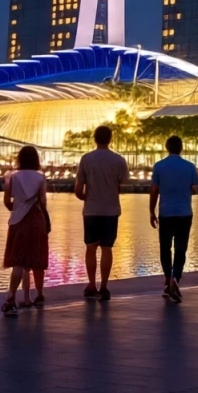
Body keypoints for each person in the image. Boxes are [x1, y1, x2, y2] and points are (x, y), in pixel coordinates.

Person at [75, 124, 130, 301]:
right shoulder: (119, 160)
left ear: (94, 139)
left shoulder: (86, 159)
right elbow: (123, 183)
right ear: (110, 139)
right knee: (107, 248)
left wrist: (87, 198)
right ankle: (104, 286)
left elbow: (78, 189)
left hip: (91, 210)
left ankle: (91, 284)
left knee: (90, 248)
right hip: (111, 210)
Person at [150, 135, 198, 302]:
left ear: (167, 147)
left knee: (165, 248)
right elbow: (195, 189)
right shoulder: (190, 166)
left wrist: (151, 211)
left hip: (165, 213)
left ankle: (167, 279)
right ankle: (176, 278)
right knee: (181, 248)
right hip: (185, 213)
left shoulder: (159, 166)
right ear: (181, 148)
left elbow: (154, 190)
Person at [1, 145, 49, 314]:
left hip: (18, 220)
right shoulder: (40, 177)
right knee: (34, 258)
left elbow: (7, 201)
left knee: (18, 262)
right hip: (37, 220)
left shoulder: (12, 176)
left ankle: (11, 298)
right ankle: (36, 295)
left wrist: (17, 207)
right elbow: (43, 202)